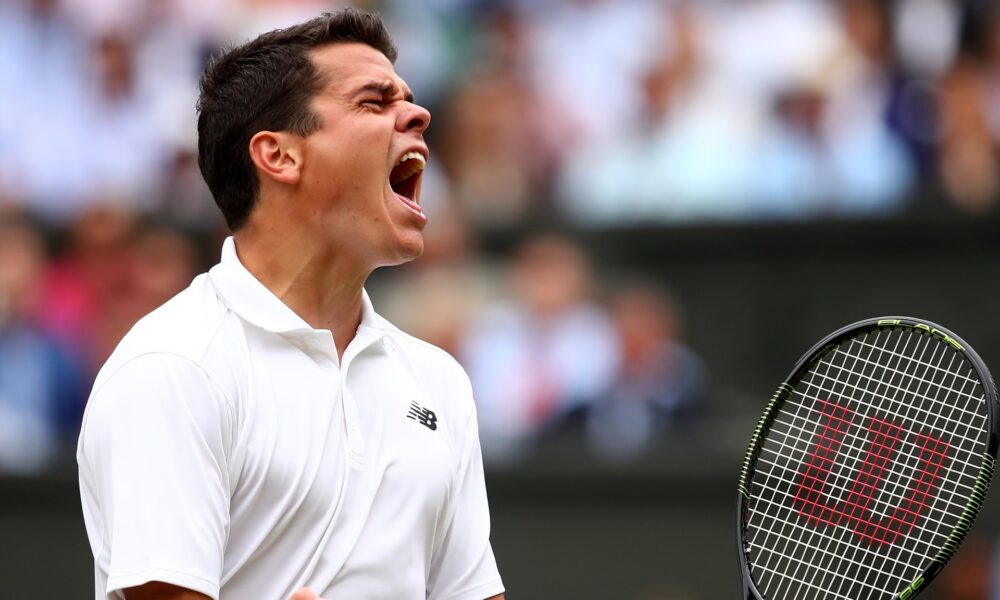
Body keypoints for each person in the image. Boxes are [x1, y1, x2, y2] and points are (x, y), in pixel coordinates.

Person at [76, 9, 505, 600]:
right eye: (373, 102)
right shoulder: (174, 368)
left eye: (405, 97)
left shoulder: (440, 384)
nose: (419, 113)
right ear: (279, 155)